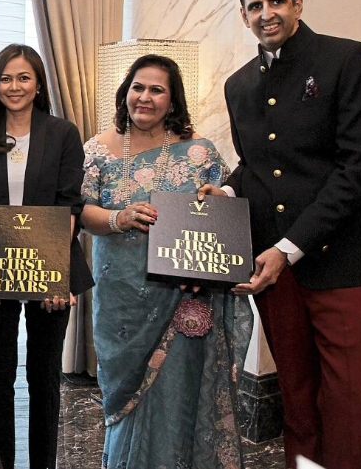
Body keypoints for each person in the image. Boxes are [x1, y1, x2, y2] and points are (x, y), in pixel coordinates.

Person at [198, 0, 361, 469]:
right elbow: (257, 165)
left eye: (277, 2)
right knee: (298, 402)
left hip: (345, 264)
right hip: (274, 271)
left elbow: (360, 166)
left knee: (349, 405)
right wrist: (226, 189)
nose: (267, 14)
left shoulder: (348, 60)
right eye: (256, 6)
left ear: (298, 5)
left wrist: (289, 248)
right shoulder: (239, 84)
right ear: (243, 16)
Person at [81, 54, 252, 469]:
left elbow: (226, 213)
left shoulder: (199, 152)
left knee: (180, 391)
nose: (145, 97)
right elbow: (78, 213)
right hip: (122, 299)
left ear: (172, 100)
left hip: (183, 298)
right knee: (127, 394)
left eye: (157, 89)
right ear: (125, 93)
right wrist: (118, 217)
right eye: (138, 87)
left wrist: (211, 256)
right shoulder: (97, 149)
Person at [0, 43, 93, 469]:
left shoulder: (63, 134)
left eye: (23, 78)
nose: (14, 86)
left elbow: (69, 206)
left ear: (38, 85)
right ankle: (1, 462)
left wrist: (55, 276)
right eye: (5, 78)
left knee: (44, 377)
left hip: (49, 268)